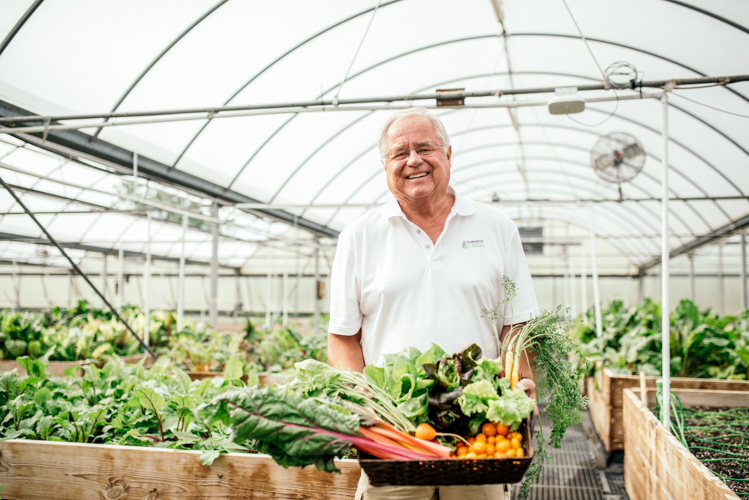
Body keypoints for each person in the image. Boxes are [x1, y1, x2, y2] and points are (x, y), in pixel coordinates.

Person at [327, 108, 539, 500]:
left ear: (448, 154)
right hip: (394, 433)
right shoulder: (359, 236)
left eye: (425, 148)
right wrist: (361, 396)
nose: (413, 161)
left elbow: (518, 325)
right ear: (385, 164)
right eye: (400, 153)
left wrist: (521, 379)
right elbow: (343, 337)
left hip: (480, 430)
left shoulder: (495, 227)